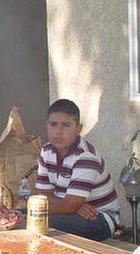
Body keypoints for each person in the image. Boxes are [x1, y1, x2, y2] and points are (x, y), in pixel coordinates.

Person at [32, 99, 120, 241]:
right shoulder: (46, 151)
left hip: (99, 218)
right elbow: (43, 194)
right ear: (47, 126)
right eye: (53, 125)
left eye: (66, 125)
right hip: (66, 211)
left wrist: (71, 206)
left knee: (40, 223)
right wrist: (73, 206)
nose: (58, 132)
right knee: (10, 215)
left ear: (78, 129)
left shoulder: (85, 156)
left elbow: (68, 205)